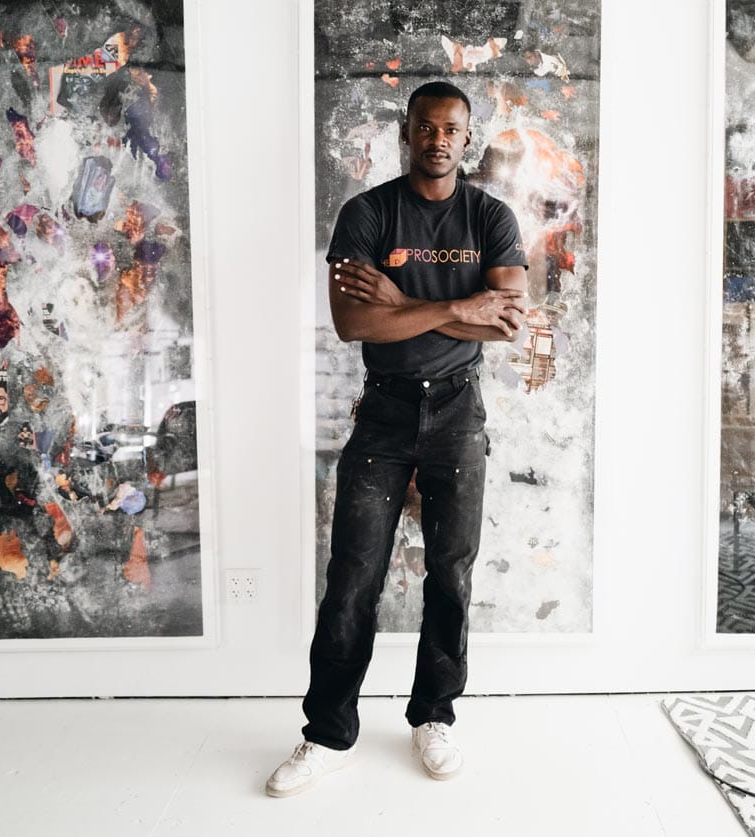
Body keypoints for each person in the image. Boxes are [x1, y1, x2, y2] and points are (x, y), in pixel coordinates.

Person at [267, 81, 528, 797]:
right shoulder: (369, 213)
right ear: (405, 131)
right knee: (353, 578)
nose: (438, 138)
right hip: (382, 414)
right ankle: (327, 733)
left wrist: (404, 303)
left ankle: (434, 716)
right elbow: (355, 326)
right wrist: (459, 306)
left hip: (457, 414)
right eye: (426, 126)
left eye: (452, 128)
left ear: (465, 139)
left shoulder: (490, 216)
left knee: (451, 572)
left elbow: (508, 324)